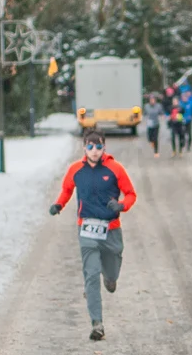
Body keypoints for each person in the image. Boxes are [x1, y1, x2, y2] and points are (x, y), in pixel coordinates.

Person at [50, 131, 137, 341]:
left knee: (112, 269)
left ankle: (110, 278)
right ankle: (97, 324)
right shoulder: (75, 170)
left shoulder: (115, 169)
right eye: (90, 147)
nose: (94, 151)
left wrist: (121, 205)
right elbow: (67, 190)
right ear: (84, 148)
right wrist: (59, 204)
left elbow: (131, 194)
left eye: (98, 147)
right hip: (86, 228)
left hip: (111, 229)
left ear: (104, 148)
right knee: (91, 275)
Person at [178, 82, 192, 150]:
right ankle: (182, 144)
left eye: (185, 97)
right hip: (182, 121)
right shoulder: (180, 104)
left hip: (189, 120)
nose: (184, 98)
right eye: (183, 97)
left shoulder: (190, 103)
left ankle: (189, 146)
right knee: (182, 133)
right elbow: (176, 112)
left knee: (189, 134)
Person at [166, 89, 187, 157]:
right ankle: (174, 151)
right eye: (173, 101)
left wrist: (180, 116)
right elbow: (168, 114)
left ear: (178, 102)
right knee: (173, 138)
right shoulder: (170, 108)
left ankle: (180, 151)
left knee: (181, 138)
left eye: (175, 101)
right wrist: (169, 118)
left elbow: (183, 113)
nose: (174, 102)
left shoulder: (181, 108)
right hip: (173, 124)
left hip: (179, 124)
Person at [144, 92, 163, 157]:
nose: (152, 101)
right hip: (149, 124)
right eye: (151, 100)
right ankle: (151, 142)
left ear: (155, 100)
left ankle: (156, 152)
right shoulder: (146, 106)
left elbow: (161, 113)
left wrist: (162, 116)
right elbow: (144, 114)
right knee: (149, 138)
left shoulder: (158, 106)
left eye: (153, 100)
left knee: (155, 138)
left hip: (156, 124)